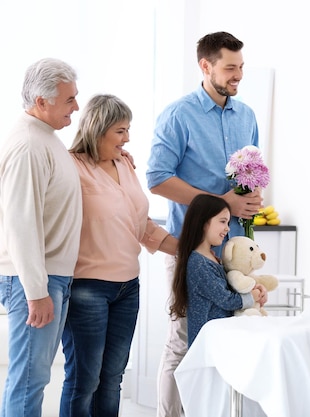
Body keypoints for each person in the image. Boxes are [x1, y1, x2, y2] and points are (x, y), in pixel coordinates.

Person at [146, 31, 263, 417]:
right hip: (190, 249)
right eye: (230, 67)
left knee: (230, 336)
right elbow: (158, 178)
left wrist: (250, 199)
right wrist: (218, 202)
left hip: (233, 247)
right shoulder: (179, 114)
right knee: (183, 339)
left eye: (241, 67)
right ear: (206, 66)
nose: (238, 75)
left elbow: (252, 173)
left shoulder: (246, 116)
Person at [60, 94, 178, 416]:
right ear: (98, 130)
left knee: (112, 379)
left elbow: (140, 224)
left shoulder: (124, 163)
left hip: (128, 286)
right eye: (120, 131)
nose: (127, 138)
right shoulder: (70, 166)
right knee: (84, 379)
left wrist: (188, 248)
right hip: (87, 287)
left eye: (128, 130)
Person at [0, 58, 82, 417]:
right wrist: (37, 291)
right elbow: (20, 223)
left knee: (35, 378)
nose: (76, 107)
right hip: (34, 280)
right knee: (29, 380)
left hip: (49, 277)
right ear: (41, 101)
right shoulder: (29, 145)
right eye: (69, 100)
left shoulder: (45, 138)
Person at [169, 194, 266, 347]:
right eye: (222, 222)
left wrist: (253, 290)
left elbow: (228, 288)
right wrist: (251, 297)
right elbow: (226, 300)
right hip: (208, 344)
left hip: (218, 338)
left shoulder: (211, 258)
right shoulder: (199, 263)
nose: (227, 228)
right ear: (203, 222)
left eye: (227, 222)